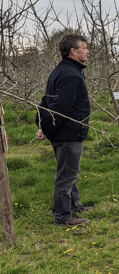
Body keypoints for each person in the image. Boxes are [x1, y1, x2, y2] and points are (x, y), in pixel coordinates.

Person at [35, 34, 92, 226]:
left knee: (70, 170)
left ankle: (74, 204)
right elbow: (59, 108)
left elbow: (45, 101)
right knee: (66, 175)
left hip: (65, 132)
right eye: (84, 47)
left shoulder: (62, 71)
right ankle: (62, 216)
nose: (88, 51)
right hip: (68, 133)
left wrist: (42, 126)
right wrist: (46, 129)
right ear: (73, 51)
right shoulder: (70, 74)